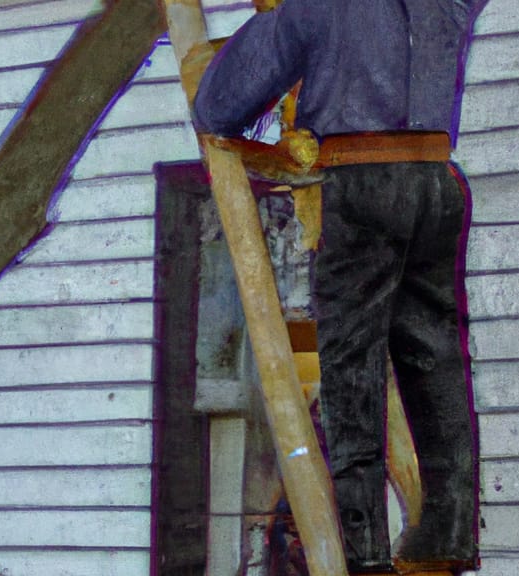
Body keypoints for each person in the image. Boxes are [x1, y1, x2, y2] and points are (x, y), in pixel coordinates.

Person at [195, 0, 486, 572]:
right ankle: (449, 534)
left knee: (353, 370)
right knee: (435, 359)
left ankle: (366, 551)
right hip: (436, 182)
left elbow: (219, 106)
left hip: (361, 181)